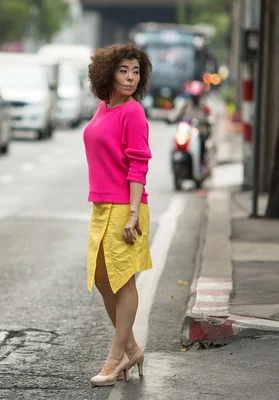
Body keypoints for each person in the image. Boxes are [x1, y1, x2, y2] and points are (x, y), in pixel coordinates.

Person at [83, 43, 153, 386]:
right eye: (124, 70)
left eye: (136, 71)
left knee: (123, 279)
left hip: (126, 206)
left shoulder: (133, 111)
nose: (130, 77)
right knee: (101, 277)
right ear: (108, 73)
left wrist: (133, 215)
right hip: (101, 205)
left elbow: (139, 164)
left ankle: (115, 357)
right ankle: (132, 349)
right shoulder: (104, 107)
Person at [168, 80, 213, 170]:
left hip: (200, 132)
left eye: (196, 96)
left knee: (202, 144)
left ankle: (201, 165)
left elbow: (210, 117)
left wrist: (208, 121)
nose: (195, 98)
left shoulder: (204, 106)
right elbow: (177, 113)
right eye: (193, 96)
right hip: (188, 133)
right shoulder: (186, 104)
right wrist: (171, 118)